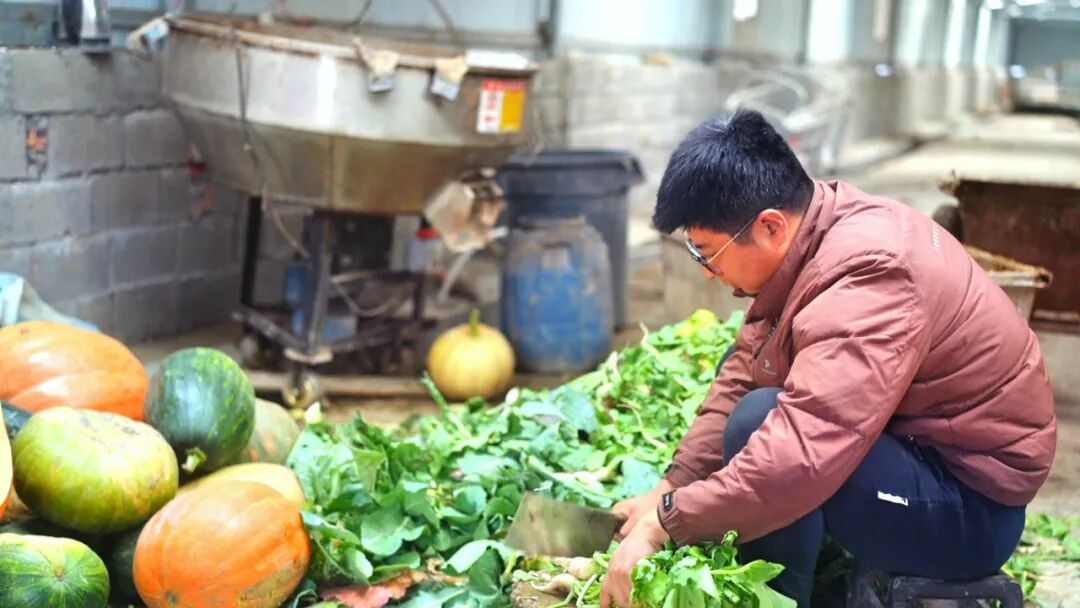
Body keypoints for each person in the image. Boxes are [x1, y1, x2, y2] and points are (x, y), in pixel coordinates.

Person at [598, 110, 1056, 608]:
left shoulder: (871, 274)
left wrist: (666, 524)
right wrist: (671, 487)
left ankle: (780, 599)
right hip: (921, 460)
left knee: (761, 425)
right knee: (755, 386)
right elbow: (746, 367)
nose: (707, 271)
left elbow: (798, 457)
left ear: (770, 226)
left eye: (707, 251)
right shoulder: (817, 231)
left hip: (968, 514)